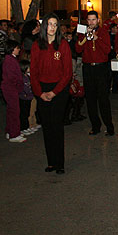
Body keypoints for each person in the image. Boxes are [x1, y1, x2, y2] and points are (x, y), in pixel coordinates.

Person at [30, 13, 72, 174]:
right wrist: (40, 93)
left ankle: (60, 163)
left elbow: (67, 73)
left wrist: (54, 92)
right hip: (42, 89)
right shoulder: (36, 45)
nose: (52, 27)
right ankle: (51, 162)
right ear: (44, 26)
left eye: (55, 24)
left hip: (59, 91)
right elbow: (33, 72)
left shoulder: (63, 45)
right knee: (47, 127)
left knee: (57, 126)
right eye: (50, 24)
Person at [76, 11, 114, 136]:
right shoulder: (82, 31)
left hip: (101, 68)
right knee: (90, 99)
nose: (91, 22)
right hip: (88, 68)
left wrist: (96, 38)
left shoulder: (103, 32)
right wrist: (85, 37)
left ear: (98, 20)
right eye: (89, 20)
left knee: (103, 99)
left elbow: (107, 50)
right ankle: (95, 126)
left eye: (93, 20)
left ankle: (109, 126)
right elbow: (77, 49)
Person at [1, 40, 25, 143]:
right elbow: (12, 77)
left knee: (11, 111)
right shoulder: (10, 60)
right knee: (15, 111)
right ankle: (14, 134)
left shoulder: (10, 59)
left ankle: (10, 130)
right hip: (11, 88)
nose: (19, 50)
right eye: (17, 48)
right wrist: (19, 86)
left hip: (10, 88)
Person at [18, 59, 37, 136]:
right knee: (24, 113)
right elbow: (24, 88)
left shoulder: (27, 77)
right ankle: (24, 128)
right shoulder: (22, 78)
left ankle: (29, 125)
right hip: (24, 98)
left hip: (29, 97)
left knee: (30, 111)